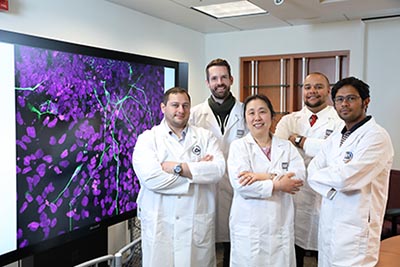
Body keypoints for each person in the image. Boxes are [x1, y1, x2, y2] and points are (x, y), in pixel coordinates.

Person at [132, 87, 226, 267]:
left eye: (185, 105)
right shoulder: (148, 139)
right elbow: (151, 179)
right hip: (161, 224)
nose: (181, 110)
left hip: (196, 223)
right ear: (163, 107)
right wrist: (196, 172)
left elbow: (218, 170)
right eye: (175, 105)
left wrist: (177, 168)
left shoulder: (205, 137)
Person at [308, 76, 394, 266]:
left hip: (357, 228)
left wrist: (329, 181)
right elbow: (312, 170)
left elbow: (346, 180)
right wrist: (331, 189)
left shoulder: (376, 137)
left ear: (366, 102)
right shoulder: (337, 136)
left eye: (351, 98)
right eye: (339, 99)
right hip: (330, 222)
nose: (344, 104)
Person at [274, 72, 344, 266]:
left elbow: (336, 152)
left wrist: (300, 141)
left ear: (328, 90)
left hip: (324, 194)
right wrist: (320, 146)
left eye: (318, 86)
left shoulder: (339, 121)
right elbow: (277, 153)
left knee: (325, 249)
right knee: (293, 249)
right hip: (294, 193)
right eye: (307, 87)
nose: (312, 91)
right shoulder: (289, 120)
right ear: (302, 90)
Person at [227, 94, 305, 267]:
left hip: (280, 224)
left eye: (262, 112)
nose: (257, 118)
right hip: (249, 227)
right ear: (245, 118)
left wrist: (261, 176)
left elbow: (298, 177)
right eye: (251, 113)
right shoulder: (238, 147)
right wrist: (277, 183)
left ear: (272, 116)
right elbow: (241, 184)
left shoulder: (286, 147)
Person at [189, 58, 247, 266]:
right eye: (214, 78)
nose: (219, 82)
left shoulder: (245, 112)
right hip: (206, 186)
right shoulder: (194, 114)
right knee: (205, 239)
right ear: (207, 83)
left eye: (223, 77)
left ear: (231, 79)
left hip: (237, 185)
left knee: (235, 238)